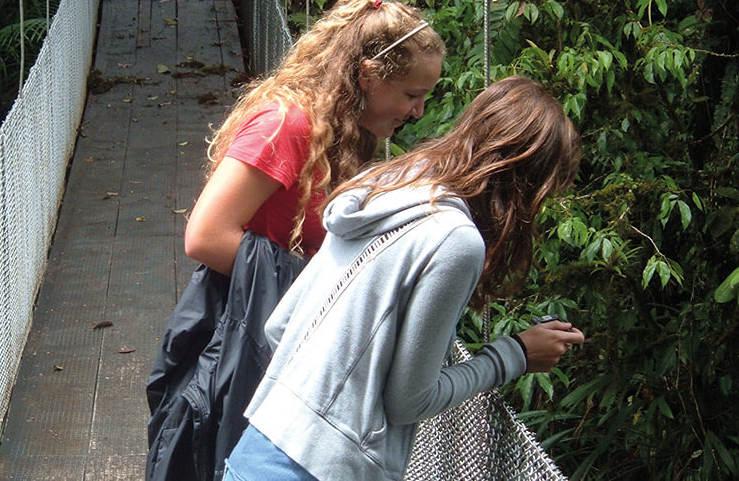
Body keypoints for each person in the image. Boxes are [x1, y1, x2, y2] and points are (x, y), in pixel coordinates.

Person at [222, 76, 586, 481]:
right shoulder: (455, 240)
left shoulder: (383, 186)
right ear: (524, 183)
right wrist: (514, 355)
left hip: (257, 446)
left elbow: (281, 325)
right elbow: (408, 401)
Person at [146, 0, 447, 480]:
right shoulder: (287, 126)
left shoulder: (345, 134)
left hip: (276, 337)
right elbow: (204, 236)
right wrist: (315, 291)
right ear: (368, 76)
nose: (418, 111)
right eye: (412, 94)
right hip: (238, 331)